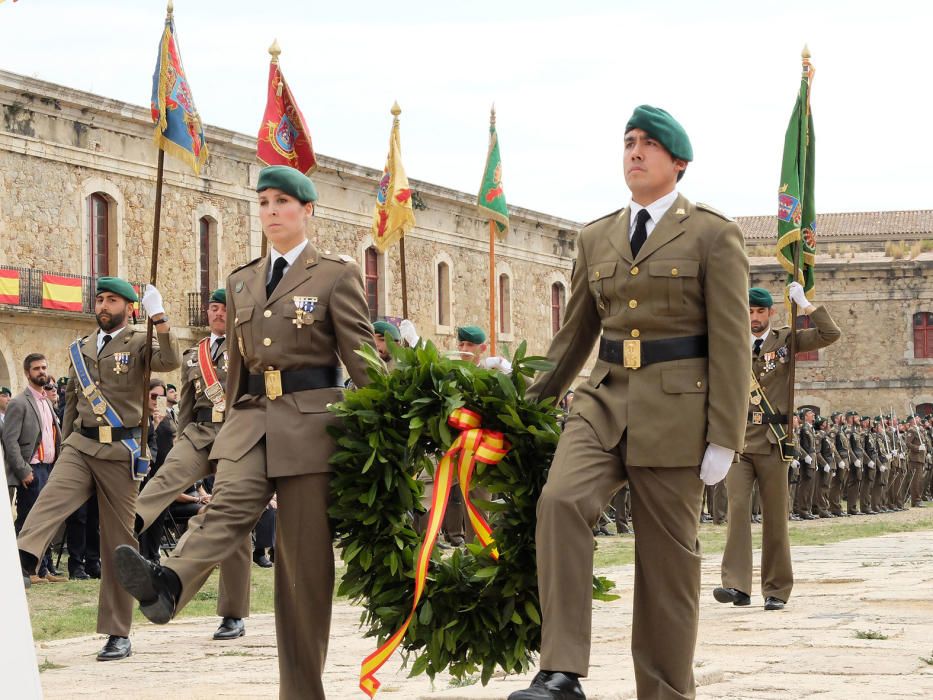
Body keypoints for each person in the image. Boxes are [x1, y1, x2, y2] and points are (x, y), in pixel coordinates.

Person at [510, 105, 750, 700]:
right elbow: (573, 337)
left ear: (679, 162)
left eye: (647, 144)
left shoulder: (713, 234)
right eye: (628, 143)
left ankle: (666, 692)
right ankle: (561, 669)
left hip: (677, 411)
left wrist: (726, 436)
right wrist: (521, 403)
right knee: (560, 502)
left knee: (667, 567)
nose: (634, 153)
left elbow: (731, 341)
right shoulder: (596, 236)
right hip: (604, 400)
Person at [114, 165, 376, 698]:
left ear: (307, 210)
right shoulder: (241, 279)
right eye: (263, 202)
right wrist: (225, 427)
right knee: (226, 508)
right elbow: (234, 368)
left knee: (302, 569)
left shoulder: (334, 275)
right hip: (251, 419)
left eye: (283, 201)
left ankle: (301, 691)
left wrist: (391, 422)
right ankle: (168, 583)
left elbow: (364, 358)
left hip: (311, 426)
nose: (272, 211)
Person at [16, 277, 177, 660]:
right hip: (81, 443)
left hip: (120, 450)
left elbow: (169, 362)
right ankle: (21, 561)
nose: (103, 305)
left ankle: (117, 632)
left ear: (128, 307)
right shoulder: (81, 347)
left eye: (112, 300)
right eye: (100, 299)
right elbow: (72, 402)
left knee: (119, 544)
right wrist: (66, 442)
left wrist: (160, 316)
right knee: (50, 499)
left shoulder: (139, 341)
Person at [133, 287, 253, 641]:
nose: (217, 314)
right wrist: (182, 437)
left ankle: (232, 613)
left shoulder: (247, 347)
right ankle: (133, 522)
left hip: (237, 433)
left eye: (224, 309)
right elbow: (185, 403)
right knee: (168, 474)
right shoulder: (193, 355)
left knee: (232, 521)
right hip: (199, 431)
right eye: (213, 309)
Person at [715, 285, 839, 612]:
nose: (754, 318)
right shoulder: (731, 342)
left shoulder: (785, 340)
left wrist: (806, 305)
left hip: (773, 440)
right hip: (739, 441)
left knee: (775, 518)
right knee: (737, 512)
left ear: (771, 313)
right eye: (750, 312)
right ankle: (736, 586)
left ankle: (777, 589)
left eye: (760, 312)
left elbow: (830, 333)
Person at [2, 354, 65, 583]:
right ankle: (26, 570)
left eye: (44, 367)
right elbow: (10, 441)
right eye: (37, 368)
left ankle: (44, 569)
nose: (42, 371)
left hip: (50, 469)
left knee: (47, 519)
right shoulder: (19, 402)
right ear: (28, 373)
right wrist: (23, 471)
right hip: (32, 471)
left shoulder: (47, 402)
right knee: (29, 520)